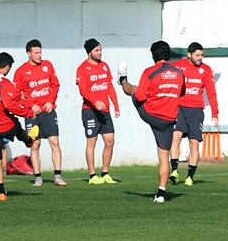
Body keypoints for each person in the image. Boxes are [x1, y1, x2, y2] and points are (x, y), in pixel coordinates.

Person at [118, 41, 185, 203]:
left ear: (153, 55)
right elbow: (182, 92)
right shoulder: (179, 73)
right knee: (164, 157)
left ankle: (121, 78)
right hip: (169, 120)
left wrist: (143, 91)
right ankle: (161, 194)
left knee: (134, 91)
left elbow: (141, 97)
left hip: (151, 114)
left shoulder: (150, 71)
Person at [0, 52, 41, 201]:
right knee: (17, 126)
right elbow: (10, 104)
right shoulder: (2, 81)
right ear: (7, 67)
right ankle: (28, 140)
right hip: (4, 124)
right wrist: (29, 113)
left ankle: (1, 192)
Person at [13, 39, 65, 186]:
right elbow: (17, 95)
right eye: (36, 52)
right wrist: (31, 105)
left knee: (54, 142)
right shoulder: (20, 72)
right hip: (32, 114)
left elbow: (55, 85)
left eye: (40, 52)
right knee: (35, 144)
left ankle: (58, 177)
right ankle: (38, 177)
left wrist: (50, 100)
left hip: (48, 111)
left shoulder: (47, 65)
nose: (39, 55)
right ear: (28, 53)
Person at [169, 42, 219, 186]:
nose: (200, 58)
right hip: (179, 108)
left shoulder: (206, 70)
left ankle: (190, 176)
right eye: (197, 55)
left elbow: (211, 92)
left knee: (194, 143)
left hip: (196, 111)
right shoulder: (178, 66)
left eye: (202, 55)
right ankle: (174, 171)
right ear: (189, 55)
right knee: (176, 137)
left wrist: (215, 113)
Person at [75, 38, 120, 185]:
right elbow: (83, 90)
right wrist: (94, 101)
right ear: (89, 52)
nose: (100, 53)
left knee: (110, 141)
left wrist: (116, 106)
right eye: (97, 50)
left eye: (100, 50)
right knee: (91, 142)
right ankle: (92, 175)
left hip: (105, 111)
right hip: (90, 111)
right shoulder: (82, 68)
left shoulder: (105, 66)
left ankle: (105, 173)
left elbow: (110, 87)